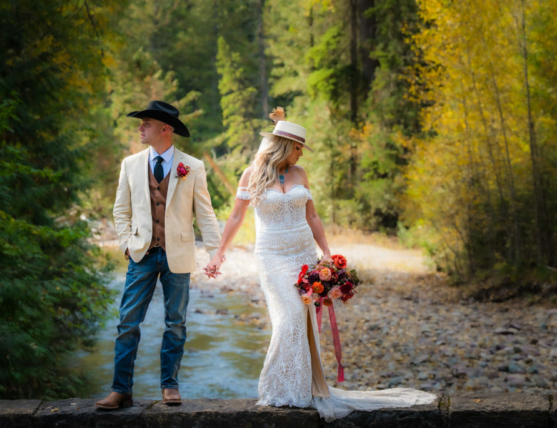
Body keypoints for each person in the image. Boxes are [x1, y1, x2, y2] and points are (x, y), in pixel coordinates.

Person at [205, 108, 436, 421]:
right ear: (284, 146)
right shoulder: (252, 174)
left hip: (302, 255)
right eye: (298, 147)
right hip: (272, 256)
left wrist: (326, 251)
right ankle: (279, 388)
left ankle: (300, 390)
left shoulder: (301, 174)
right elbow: (236, 216)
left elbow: (312, 216)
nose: (301, 153)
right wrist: (220, 253)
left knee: (303, 322)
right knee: (287, 318)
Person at [95, 101, 221, 410]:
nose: (140, 128)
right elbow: (120, 210)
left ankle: (170, 386)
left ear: (165, 129)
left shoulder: (192, 166)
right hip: (141, 255)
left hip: (178, 254)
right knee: (127, 322)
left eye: (146, 123)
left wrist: (215, 253)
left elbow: (205, 214)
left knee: (175, 323)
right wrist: (126, 243)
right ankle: (120, 390)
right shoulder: (130, 164)